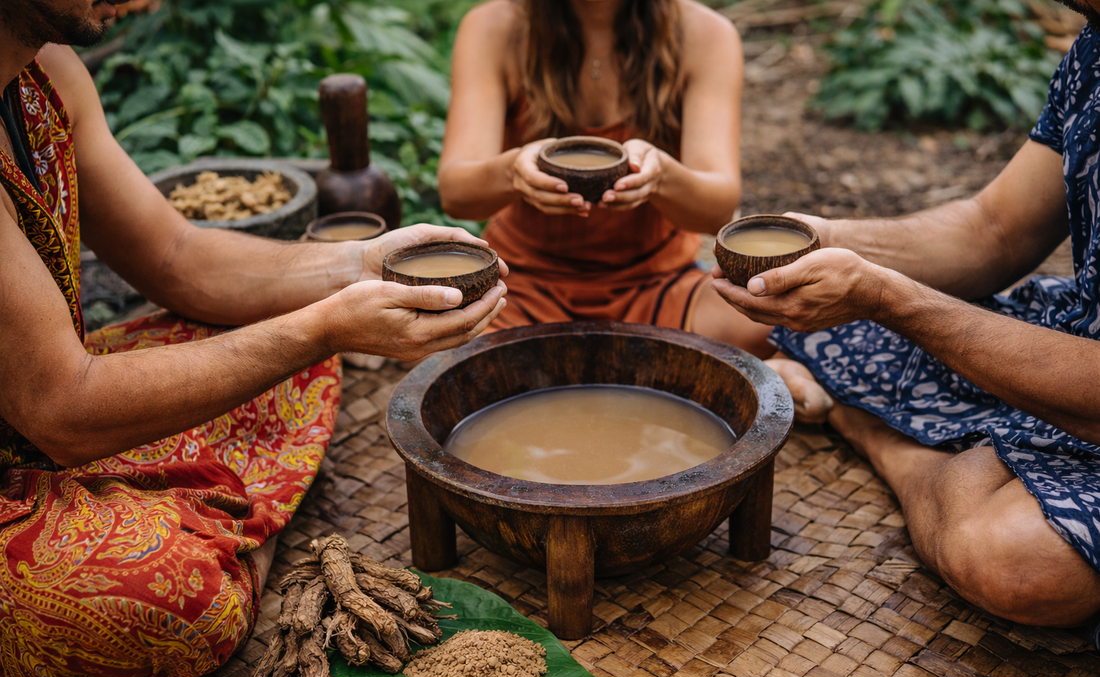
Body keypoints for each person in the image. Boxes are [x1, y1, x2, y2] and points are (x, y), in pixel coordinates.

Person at [0, 0, 506, 677]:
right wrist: (323, 327)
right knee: (189, 601)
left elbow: (176, 256)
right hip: (50, 420)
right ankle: (214, 527)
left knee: (285, 358)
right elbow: (60, 407)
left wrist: (356, 265)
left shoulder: (47, 76)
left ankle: (193, 509)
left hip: (43, 421)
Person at [713, 7, 1100, 630]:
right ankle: (978, 457)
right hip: (1080, 343)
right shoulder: (1092, 52)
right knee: (787, 333)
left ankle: (873, 428)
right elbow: (994, 230)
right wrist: (832, 238)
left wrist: (890, 301)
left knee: (1014, 561)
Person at [437, 0, 773, 357]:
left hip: (660, 285)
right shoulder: (494, 26)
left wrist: (662, 177)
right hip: (521, 286)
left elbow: (716, 212)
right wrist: (513, 172)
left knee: (769, 320)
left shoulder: (705, 34)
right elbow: (456, 194)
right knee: (447, 350)